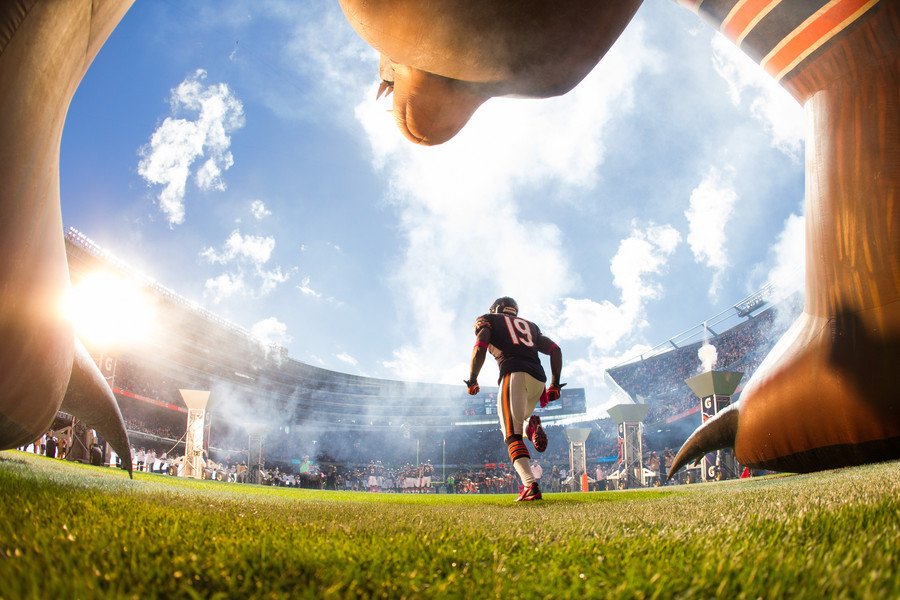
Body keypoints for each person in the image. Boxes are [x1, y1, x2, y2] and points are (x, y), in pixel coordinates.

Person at [465, 296, 564, 502]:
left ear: (496, 309)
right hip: (538, 380)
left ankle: (529, 485)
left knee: (511, 435)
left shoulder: (489, 319)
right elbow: (555, 349)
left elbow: (480, 345)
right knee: (519, 422)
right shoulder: (531, 326)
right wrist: (555, 384)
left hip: (513, 373)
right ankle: (531, 426)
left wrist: (473, 379)